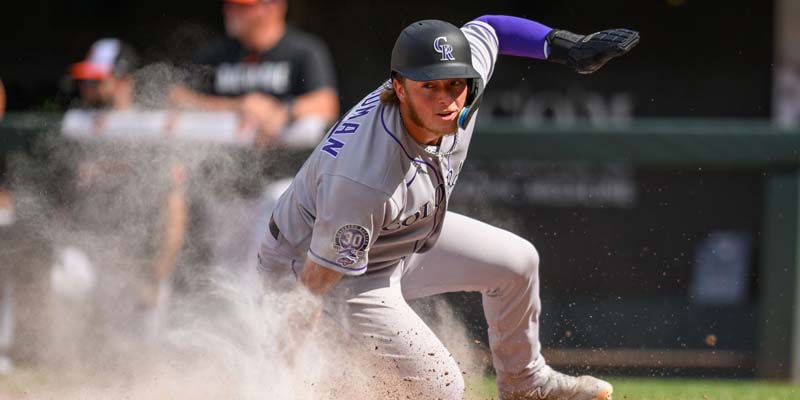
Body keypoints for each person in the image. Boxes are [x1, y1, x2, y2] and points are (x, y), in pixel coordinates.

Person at [257, 15, 638, 400]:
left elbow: (491, 28)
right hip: (322, 269)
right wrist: (282, 379)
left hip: (394, 237)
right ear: (399, 88)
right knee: (441, 388)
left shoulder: (459, 84)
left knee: (518, 263)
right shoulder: (364, 177)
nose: (446, 97)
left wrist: (565, 45)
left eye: (456, 83)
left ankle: (527, 385)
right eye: (430, 86)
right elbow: (308, 292)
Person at [169, 0, 339, 270]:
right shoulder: (219, 53)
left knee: (269, 271)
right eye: (229, 5)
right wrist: (238, 106)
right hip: (229, 187)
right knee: (226, 276)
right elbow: (176, 97)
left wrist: (282, 109)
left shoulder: (302, 50)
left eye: (242, 6)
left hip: (284, 183)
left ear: (272, 8)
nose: (230, 12)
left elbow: (326, 104)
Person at [65, 38, 188, 337]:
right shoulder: (78, 131)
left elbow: (174, 215)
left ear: (123, 82)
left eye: (97, 81)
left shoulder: (151, 134)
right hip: (94, 262)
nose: (87, 90)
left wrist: (156, 277)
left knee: (144, 361)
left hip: (141, 267)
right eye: (85, 81)